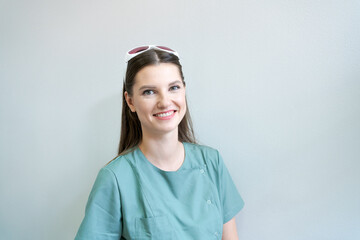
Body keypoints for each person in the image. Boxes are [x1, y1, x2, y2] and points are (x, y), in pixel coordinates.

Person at [75, 45, 244, 240]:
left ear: (184, 91)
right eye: (149, 92)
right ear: (130, 101)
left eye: (173, 88)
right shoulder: (115, 178)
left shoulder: (211, 162)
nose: (165, 102)